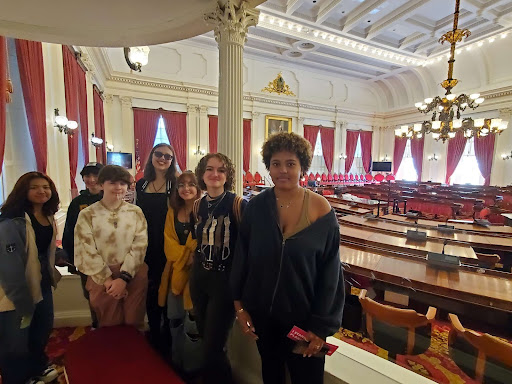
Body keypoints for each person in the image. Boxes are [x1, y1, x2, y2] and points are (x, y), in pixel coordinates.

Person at [231, 132, 345, 384]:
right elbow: (243, 259)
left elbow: (331, 274)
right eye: (276, 164)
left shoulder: (321, 209)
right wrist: (239, 307)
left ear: (302, 167)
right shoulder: (256, 207)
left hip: (304, 323)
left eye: (290, 164)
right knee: (271, 375)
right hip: (262, 317)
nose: (283, 170)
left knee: (308, 379)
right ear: (268, 168)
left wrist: (320, 327)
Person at [189, 153, 246, 384]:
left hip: (225, 282)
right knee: (206, 339)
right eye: (210, 169)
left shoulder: (238, 204)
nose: (215, 174)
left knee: (214, 345)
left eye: (221, 170)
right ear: (202, 174)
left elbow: (247, 248)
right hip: (200, 278)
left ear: (227, 176)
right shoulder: (196, 205)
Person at [0, 172, 61, 384]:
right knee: (15, 342)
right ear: (23, 191)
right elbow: (9, 266)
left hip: (42, 284)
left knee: (41, 330)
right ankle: (17, 379)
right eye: (35, 187)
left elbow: (45, 250)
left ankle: (36, 368)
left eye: (45, 186)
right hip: (15, 292)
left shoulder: (47, 215)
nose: (41, 191)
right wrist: (22, 300)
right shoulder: (11, 221)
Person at [74, 165, 148, 328]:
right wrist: (108, 280)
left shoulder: (135, 212)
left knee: (133, 322)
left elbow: (140, 245)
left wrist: (123, 278)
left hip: (132, 274)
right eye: (112, 183)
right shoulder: (87, 214)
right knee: (110, 324)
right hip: (101, 277)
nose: (118, 187)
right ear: (101, 185)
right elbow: (85, 249)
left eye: (122, 183)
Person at [135, 143, 178, 353]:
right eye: (158, 154)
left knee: (167, 289)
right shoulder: (141, 184)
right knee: (149, 290)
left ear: (172, 161)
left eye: (167, 156)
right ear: (151, 156)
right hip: (144, 245)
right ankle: (154, 331)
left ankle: (168, 336)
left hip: (166, 245)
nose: (162, 159)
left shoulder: (175, 184)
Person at [158, 171, 202, 373]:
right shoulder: (172, 212)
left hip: (197, 275)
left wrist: (194, 255)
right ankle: (176, 363)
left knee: (193, 326)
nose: (186, 188)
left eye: (191, 184)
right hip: (175, 272)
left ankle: (192, 369)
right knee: (174, 319)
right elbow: (169, 243)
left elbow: (205, 241)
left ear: (198, 188)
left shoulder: (205, 210)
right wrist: (186, 256)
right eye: (182, 185)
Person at [62, 162, 104, 328]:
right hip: (86, 259)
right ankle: (96, 324)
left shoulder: (111, 199)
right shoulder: (77, 203)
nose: (92, 179)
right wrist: (72, 259)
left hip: (110, 259)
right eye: (88, 175)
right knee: (91, 294)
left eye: (96, 175)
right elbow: (69, 232)